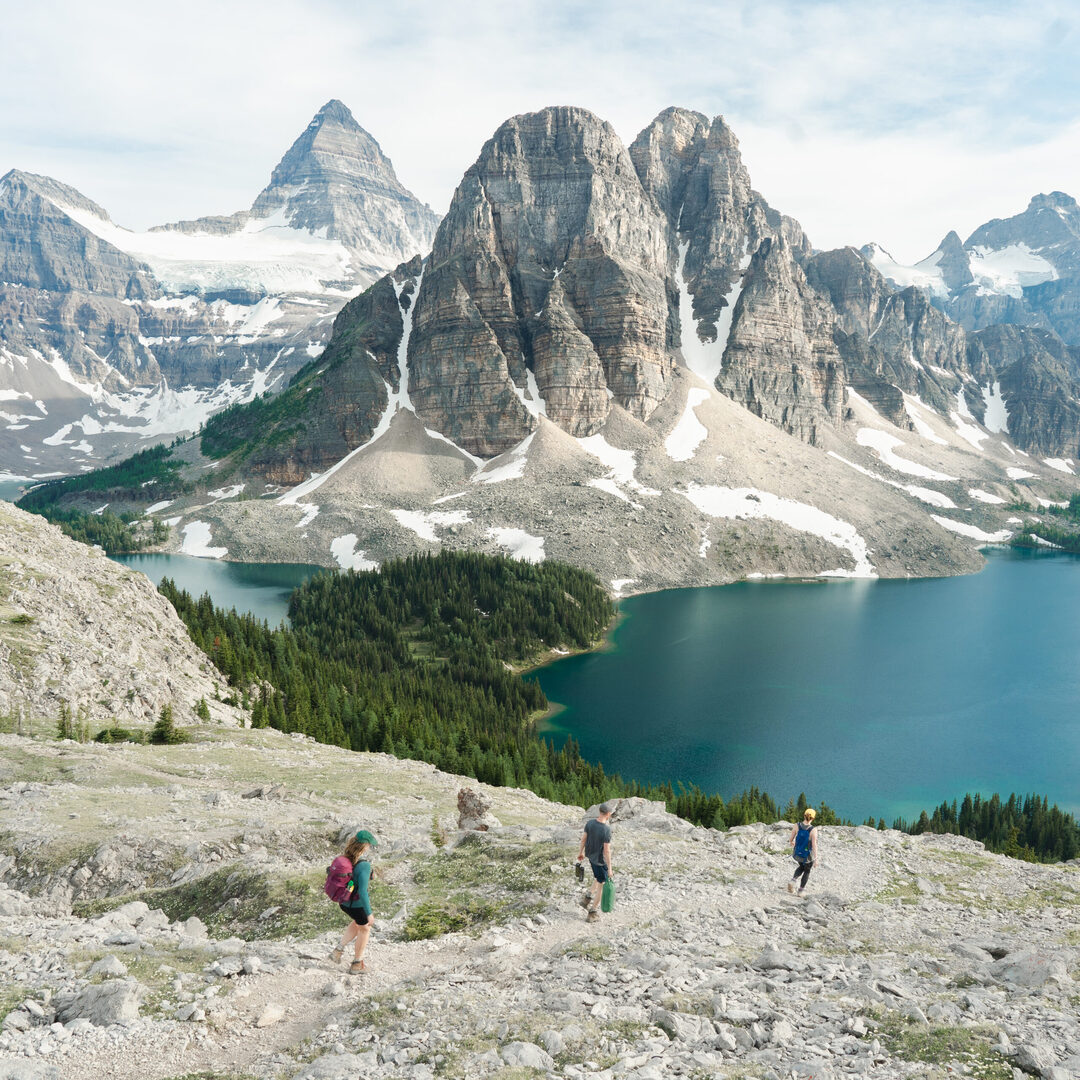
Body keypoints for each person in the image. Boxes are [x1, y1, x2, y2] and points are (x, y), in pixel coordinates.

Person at [329, 830, 376, 973]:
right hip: (356, 904)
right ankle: (357, 964)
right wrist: (369, 913)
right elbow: (362, 892)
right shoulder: (364, 865)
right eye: (369, 845)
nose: (370, 847)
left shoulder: (345, 859)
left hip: (344, 902)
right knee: (365, 928)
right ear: (364, 846)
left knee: (357, 922)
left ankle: (337, 951)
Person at [577, 802, 614, 922]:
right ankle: (592, 913)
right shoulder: (606, 830)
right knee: (602, 885)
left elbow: (583, 839)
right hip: (600, 861)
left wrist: (581, 853)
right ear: (608, 814)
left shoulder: (590, 823)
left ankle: (586, 898)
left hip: (591, 857)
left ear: (600, 811)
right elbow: (607, 851)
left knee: (598, 878)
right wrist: (610, 869)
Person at [788, 808, 819, 895]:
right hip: (808, 856)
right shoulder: (813, 830)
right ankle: (801, 891)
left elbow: (791, 839)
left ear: (804, 815)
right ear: (813, 818)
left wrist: (791, 842)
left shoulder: (797, 825)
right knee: (807, 871)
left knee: (801, 867)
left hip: (797, 853)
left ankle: (793, 880)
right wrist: (816, 859)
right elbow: (814, 845)